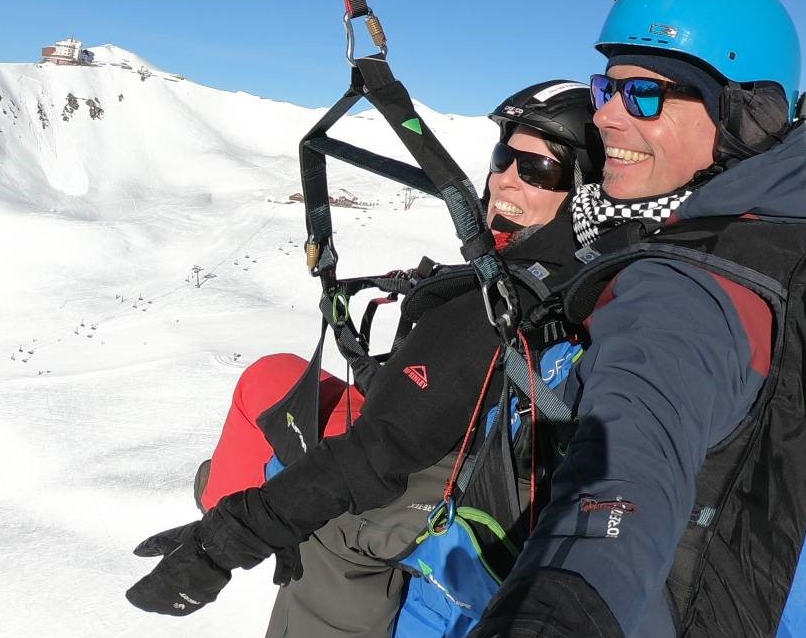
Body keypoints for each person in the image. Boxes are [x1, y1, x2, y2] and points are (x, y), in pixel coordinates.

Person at [126, 80, 604, 637]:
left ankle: (223, 505)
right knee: (275, 376)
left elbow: (376, 454)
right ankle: (223, 495)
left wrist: (223, 542)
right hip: (493, 437)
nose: (504, 180)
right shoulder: (589, 266)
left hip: (453, 476)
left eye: (538, 170)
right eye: (504, 157)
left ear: (585, 190)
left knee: (273, 400)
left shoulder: (496, 306)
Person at [469, 0, 806, 638]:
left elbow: (626, 471)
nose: (605, 115)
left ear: (745, 116)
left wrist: (556, 614)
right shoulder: (780, 225)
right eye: (607, 87)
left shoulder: (680, 291)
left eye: (642, 94)